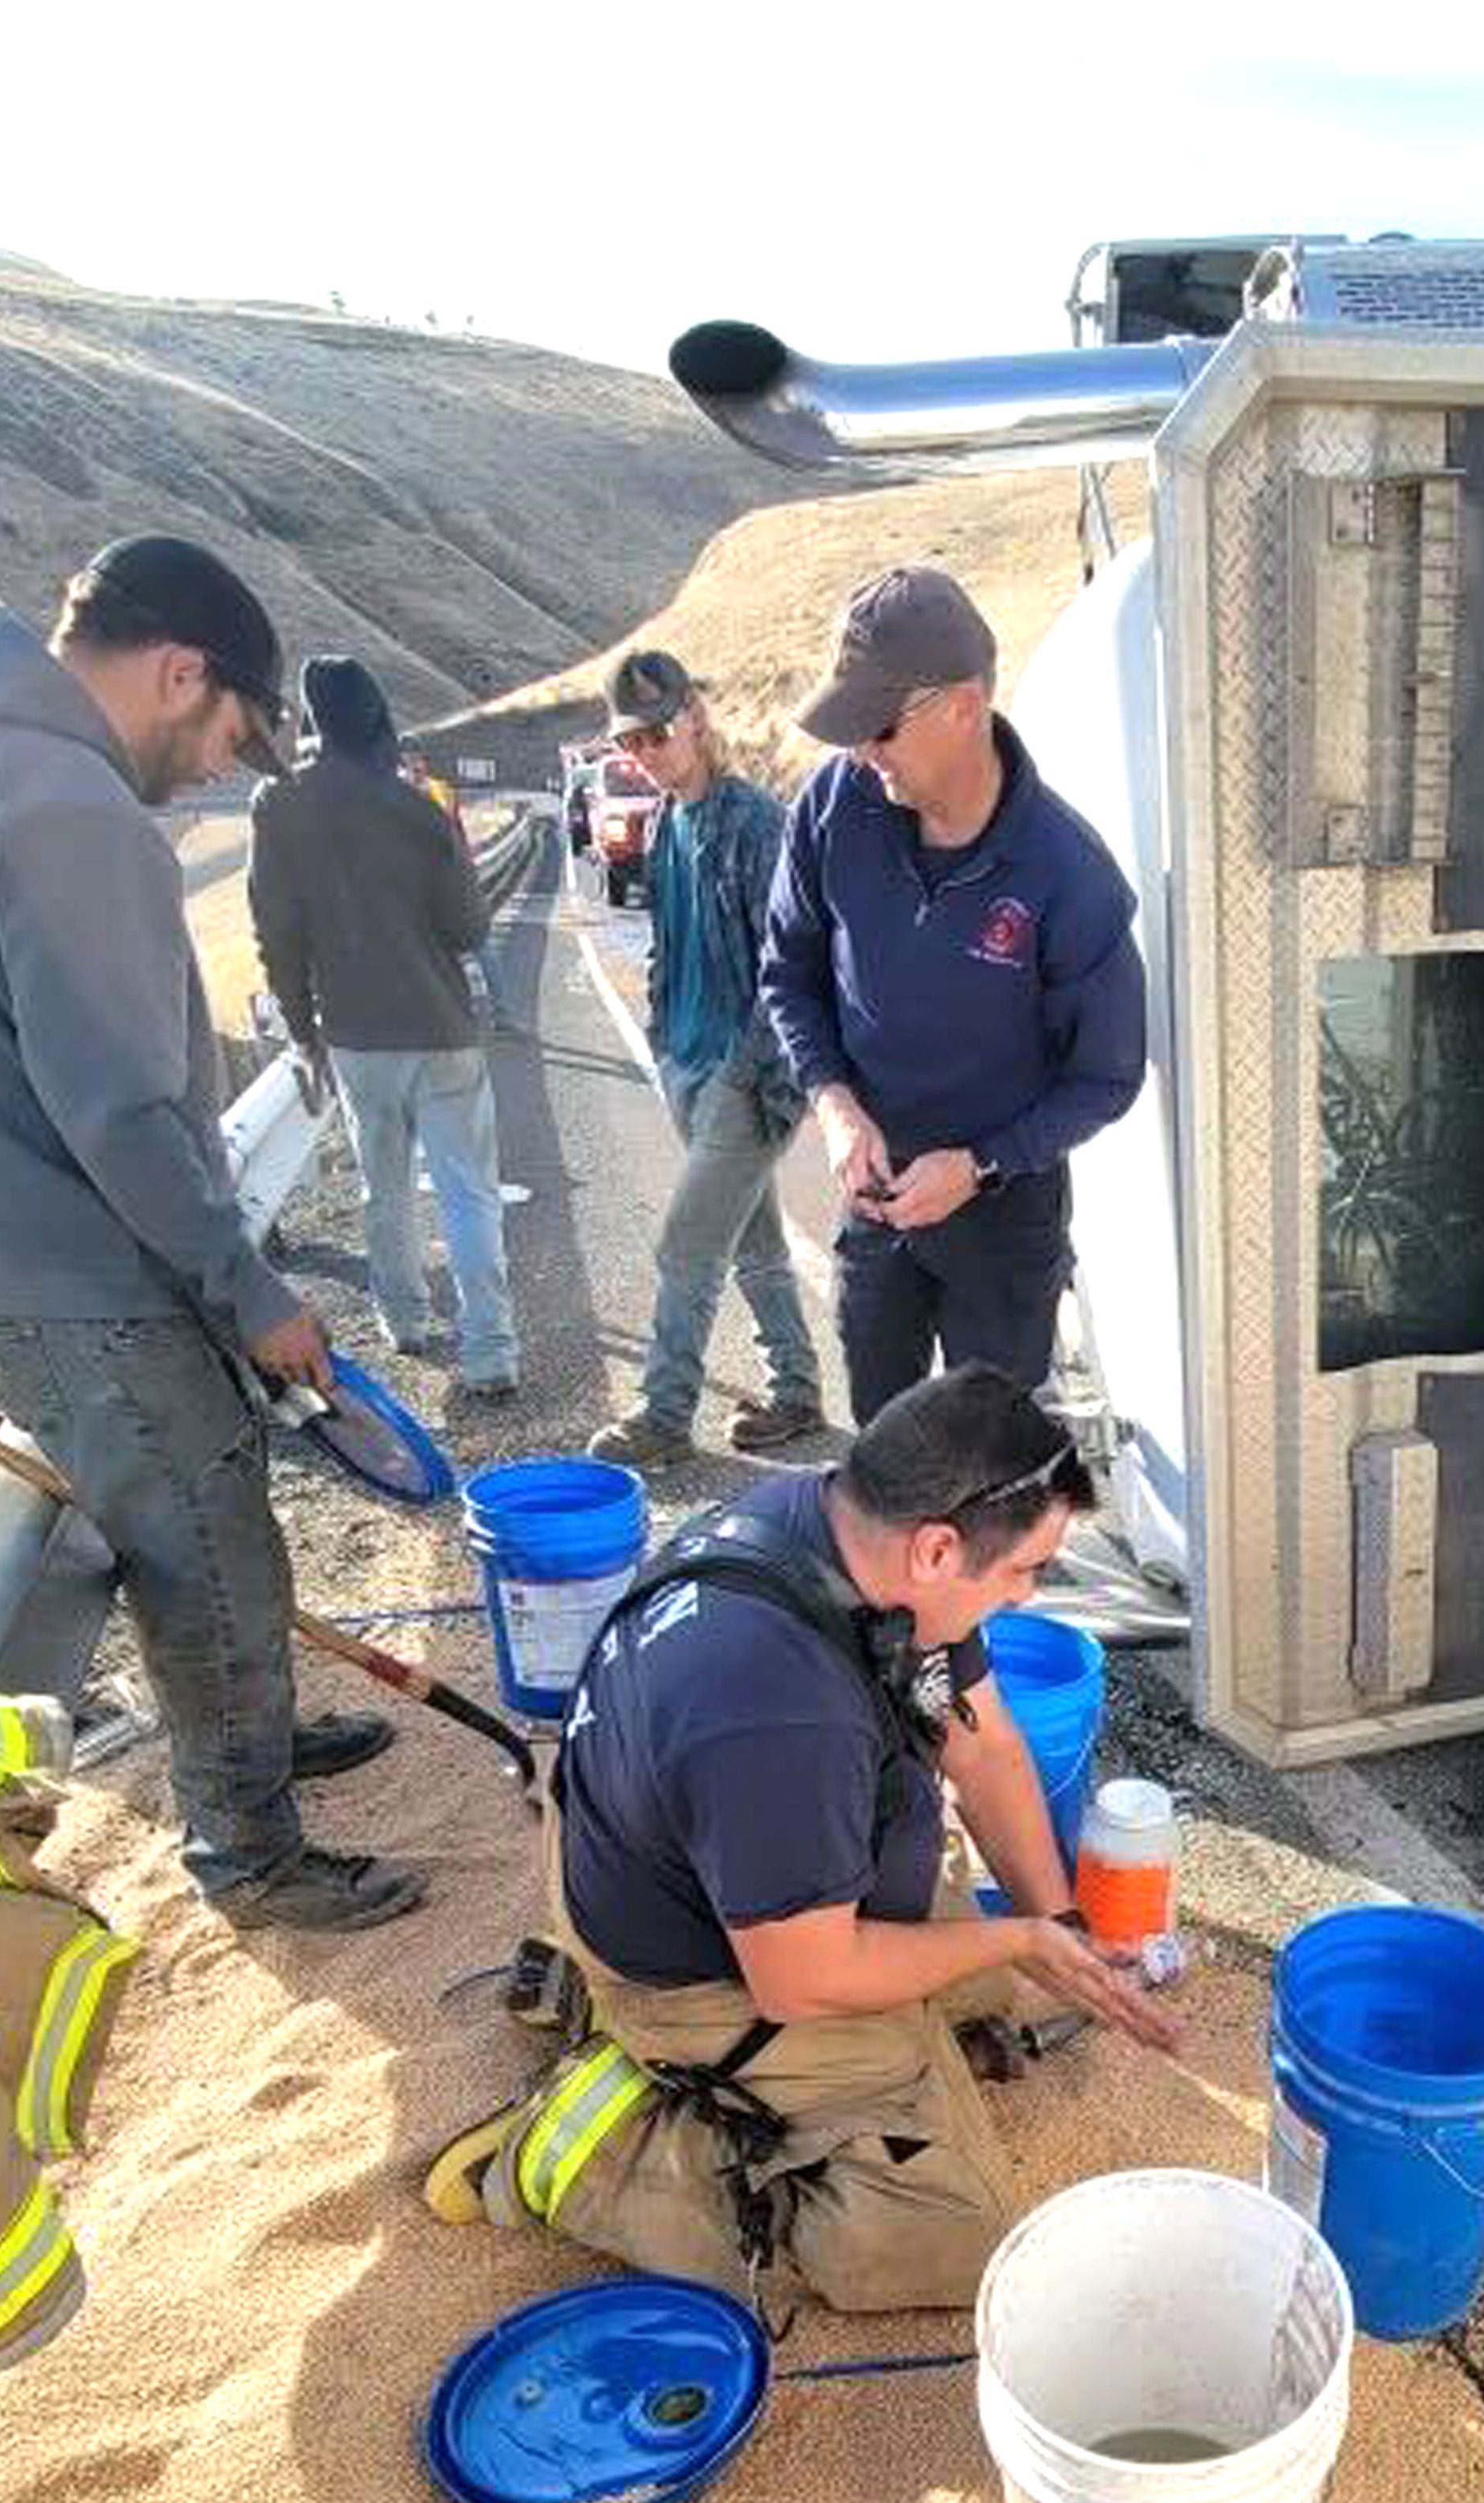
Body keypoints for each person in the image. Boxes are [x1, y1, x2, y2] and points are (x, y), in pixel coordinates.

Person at [0, 536, 422, 1933]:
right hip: (86, 1272)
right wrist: (244, 1287)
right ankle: (250, 1856)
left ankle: (250, 1754)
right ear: (182, 670)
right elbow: (116, 1107)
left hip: (20, 1256)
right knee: (211, 1551)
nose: (228, 762)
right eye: (234, 725)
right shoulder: (65, 803)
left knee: (206, 1535)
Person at [429, 1366, 1177, 2309]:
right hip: (721, 1965)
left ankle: (634, 2014)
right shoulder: (779, 1706)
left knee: (999, 1993)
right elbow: (802, 1979)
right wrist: (1019, 1937)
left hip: (703, 1859)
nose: (1027, 1598)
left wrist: (1057, 1923)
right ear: (940, 1550)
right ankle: (596, 2145)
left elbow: (984, 1756)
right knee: (959, 2241)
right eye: (1026, 1570)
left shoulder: (838, 1523)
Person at [761, 566, 1145, 1420]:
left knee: (986, 1462)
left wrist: (980, 1164)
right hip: (876, 1190)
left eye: (882, 727)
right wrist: (834, 1105)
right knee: (882, 1443)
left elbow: (1106, 1078)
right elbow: (788, 971)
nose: (862, 750)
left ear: (965, 706)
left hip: (1004, 1215)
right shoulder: (833, 808)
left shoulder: (1069, 876)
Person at [247, 656, 520, 1405]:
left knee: (385, 1186)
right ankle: (491, 1350)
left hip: (356, 1036)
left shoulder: (279, 806)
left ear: (311, 720)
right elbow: (467, 925)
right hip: (441, 1026)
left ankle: (404, 1319)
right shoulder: (418, 807)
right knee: (468, 1193)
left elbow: (277, 931)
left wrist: (302, 1030)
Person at [582, 649, 826, 1475]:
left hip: (743, 1077)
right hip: (687, 1064)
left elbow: (791, 963)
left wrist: (743, 1074)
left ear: (695, 717)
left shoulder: (754, 822)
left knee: (688, 1244)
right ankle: (796, 1391)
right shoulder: (666, 824)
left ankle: (664, 1413)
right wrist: (662, 1040)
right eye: (632, 742)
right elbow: (667, 944)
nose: (646, 753)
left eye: (657, 732)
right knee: (751, 1238)